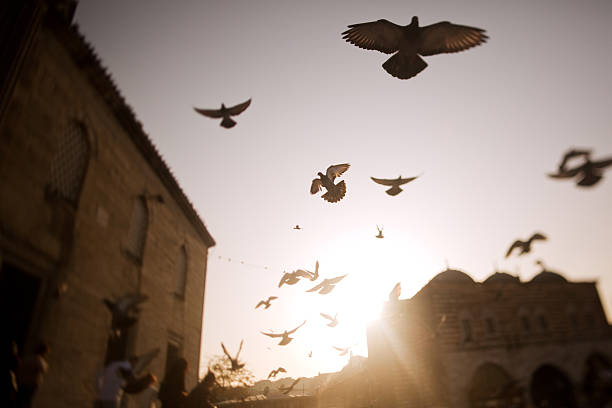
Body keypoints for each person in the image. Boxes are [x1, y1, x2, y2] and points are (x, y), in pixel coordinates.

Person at [16, 343, 49, 408]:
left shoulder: (27, 358)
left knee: (20, 400)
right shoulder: (39, 361)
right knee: (27, 401)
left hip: (22, 382)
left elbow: (20, 367)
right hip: (31, 383)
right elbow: (44, 369)